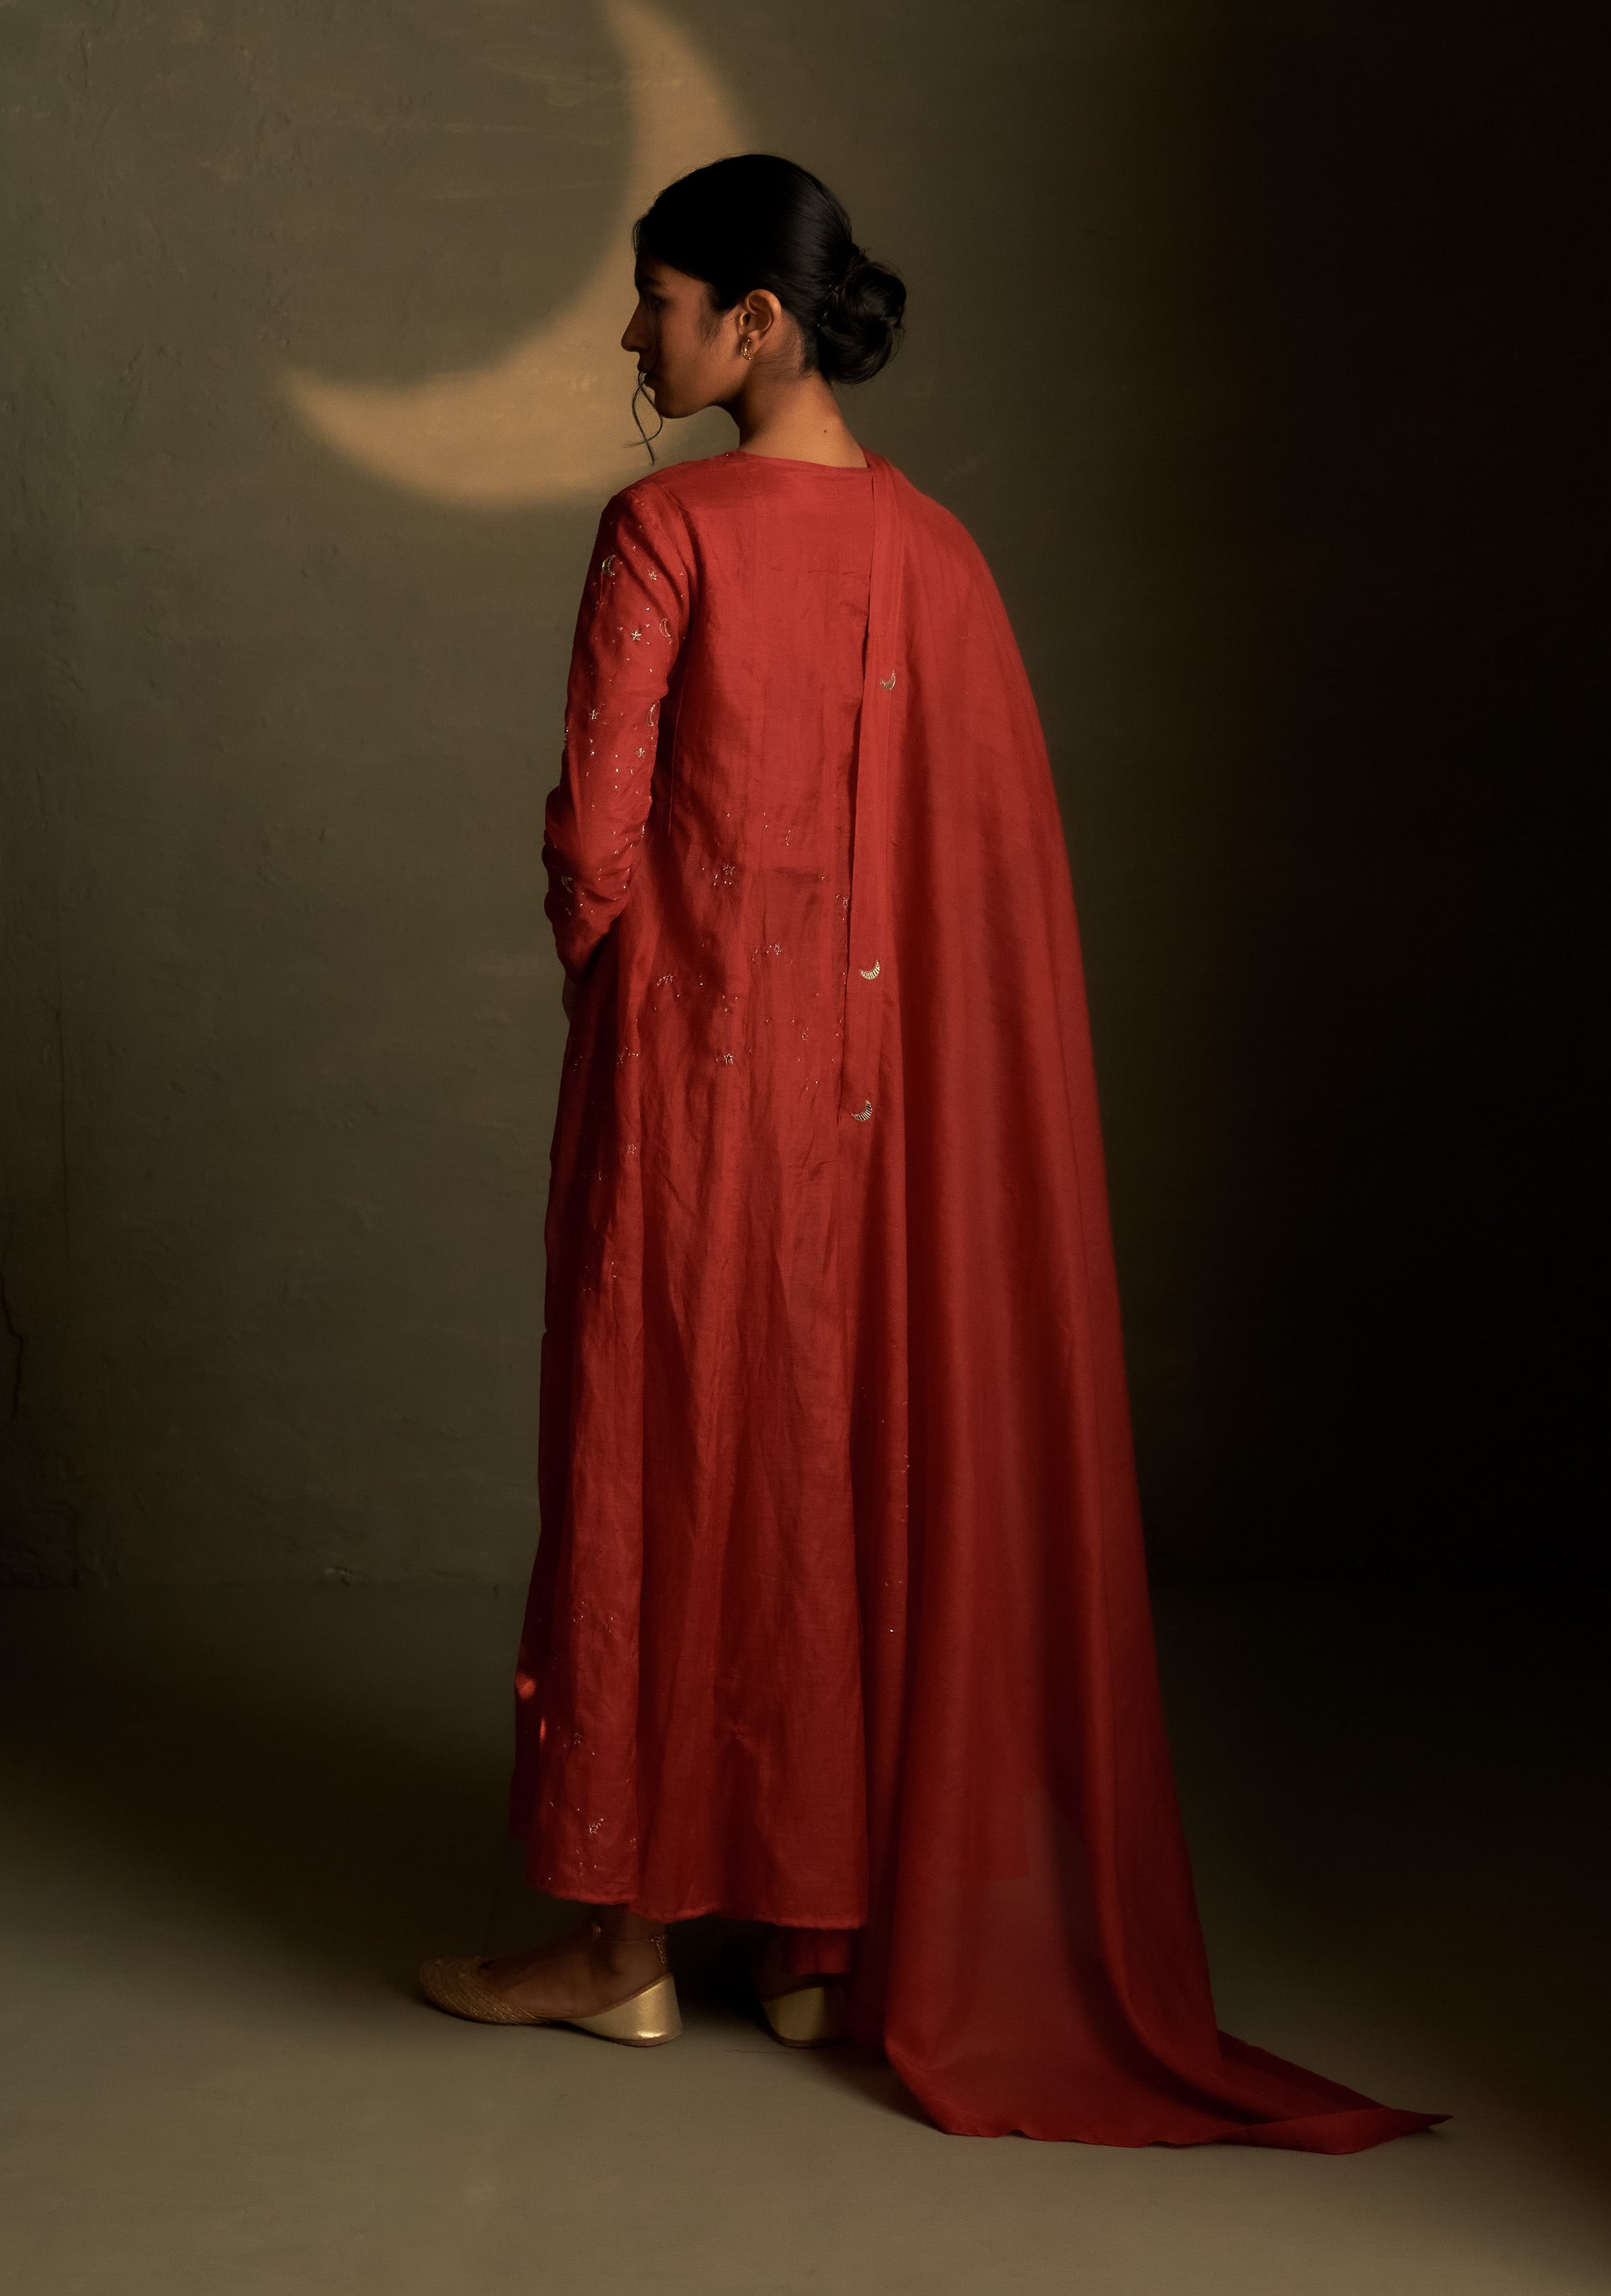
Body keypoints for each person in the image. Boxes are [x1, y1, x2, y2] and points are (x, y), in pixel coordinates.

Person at [421, 154, 1443, 2148]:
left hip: (687, 1077)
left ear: (754, 324)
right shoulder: (938, 554)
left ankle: (622, 1941)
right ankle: (810, 1938)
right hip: (880, 1111)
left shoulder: (664, 528)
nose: (632, 333)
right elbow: (977, 881)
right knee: (821, 1458)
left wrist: (625, 998)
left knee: (653, 1454)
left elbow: (596, 843)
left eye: (656, 297)